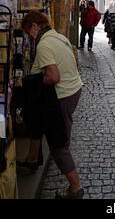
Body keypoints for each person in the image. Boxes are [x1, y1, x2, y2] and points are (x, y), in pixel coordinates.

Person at [20, 11, 84, 199]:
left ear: (34, 26)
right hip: (71, 90)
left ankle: (75, 188)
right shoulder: (58, 36)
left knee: (58, 144)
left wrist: (39, 83)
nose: (29, 37)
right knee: (36, 122)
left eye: (28, 32)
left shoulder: (44, 44)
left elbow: (53, 77)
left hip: (62, 95)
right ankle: (32, 158)